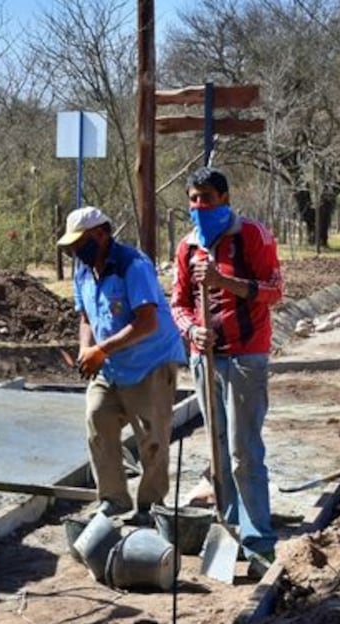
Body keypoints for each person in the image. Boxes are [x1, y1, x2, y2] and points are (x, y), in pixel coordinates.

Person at [170, 166, 283, 574]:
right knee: (217, 449)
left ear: (224, 199)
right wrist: (191, 331)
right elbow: (178, 303)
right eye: (193, 199)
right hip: (206, 359)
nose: (199, 206)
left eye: (206, 198)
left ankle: (259, 543)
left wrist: (224, 281)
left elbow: (275, 291)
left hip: (245, 357)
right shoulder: (188, 247)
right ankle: (230, 526)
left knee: (243, 451)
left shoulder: (250, 235)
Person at [56, 206, 187, 525]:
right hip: (110, 363)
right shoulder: (83, 269)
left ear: (101, 234)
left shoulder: (133, 265)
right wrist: (86, 348)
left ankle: (150, 508)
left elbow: (146, 323)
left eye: (80, 242)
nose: (76, 250)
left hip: (150, 363)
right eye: (72, 245)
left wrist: (101, 349)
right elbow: (86, 316)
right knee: (97, 419)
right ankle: (113, 500)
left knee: (152, 438)